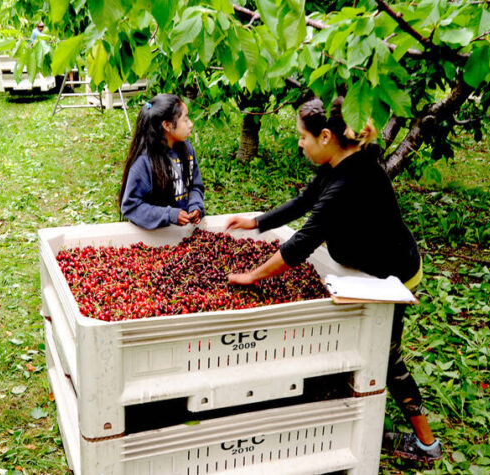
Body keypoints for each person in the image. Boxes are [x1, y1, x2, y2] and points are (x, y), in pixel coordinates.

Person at [225, 96, 443, 464]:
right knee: (366, 344)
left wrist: (252, 276)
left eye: (302, 137)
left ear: (325, 136)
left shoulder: (351, 179)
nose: (299, 143)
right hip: (367, 269)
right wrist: (258, 222)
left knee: (386, 356)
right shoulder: (338, 162)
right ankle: (348, 403)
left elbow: (303, 242)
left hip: (395, 276)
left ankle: (427, 444)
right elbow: (303, 201)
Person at [119, 93, 205, 230]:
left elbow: (195, 186)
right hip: (157, 236)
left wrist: (195, 205)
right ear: (167, 125)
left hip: (185, 233)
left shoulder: (187, 149)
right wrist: (168, 214)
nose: (191, 124)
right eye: (185, 119)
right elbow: (131, 206)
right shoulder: (145, 162)